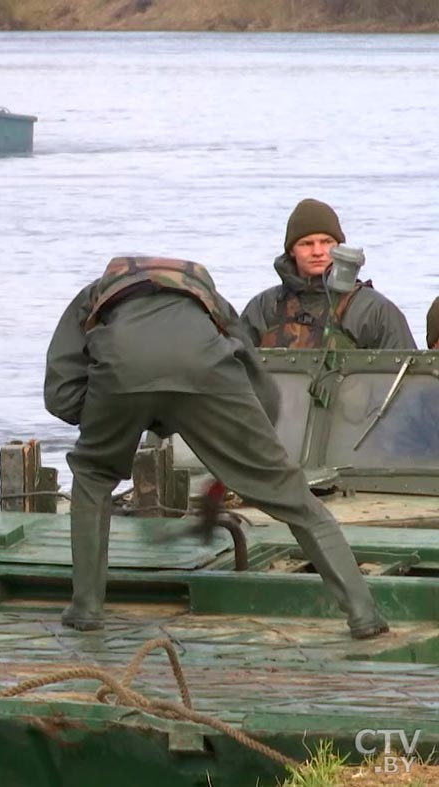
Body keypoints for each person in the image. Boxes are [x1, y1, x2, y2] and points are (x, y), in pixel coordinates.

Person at [44, 255, 390, 640]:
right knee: (292, 497)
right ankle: (364, 614)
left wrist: (113, 417)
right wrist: (254, 438)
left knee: (93, 477)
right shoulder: (206, 297)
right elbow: (259, 383)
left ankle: (86, 609)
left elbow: (60, 395)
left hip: (120, 372)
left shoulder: (94, 295)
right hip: (206, 371)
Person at [241, 198, 415, 350]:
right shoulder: (265, 308)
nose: (317, 251)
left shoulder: (373, 310)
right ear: (291, 251)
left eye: (326, 242)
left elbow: (409, 378)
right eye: (306, 243)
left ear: (339, 246)